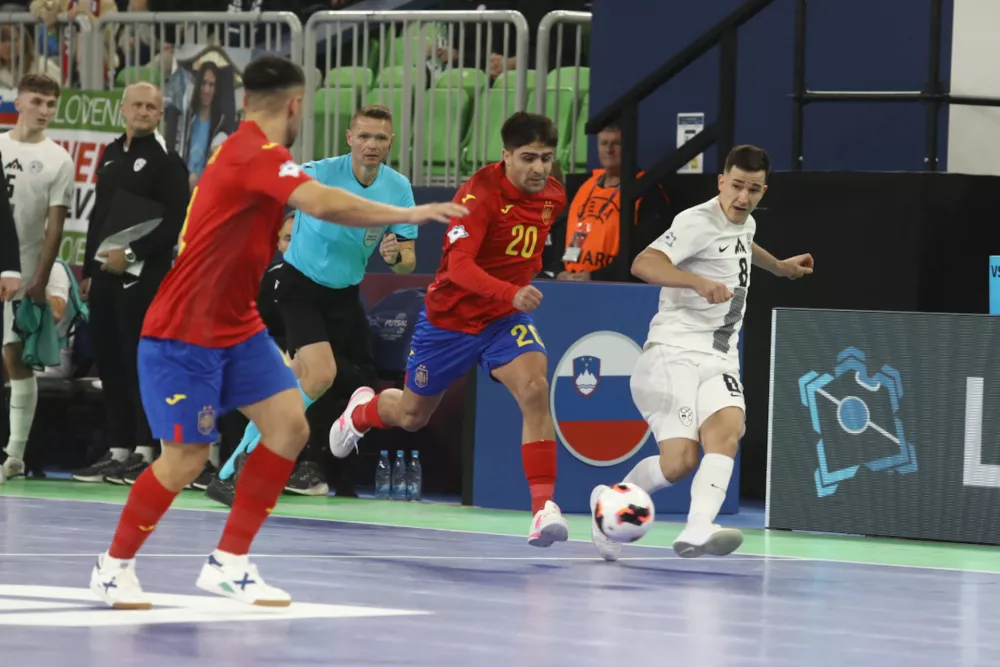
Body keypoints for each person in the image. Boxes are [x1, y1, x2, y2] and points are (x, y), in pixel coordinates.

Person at [87, 54, 468, 610]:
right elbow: (320, 202)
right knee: (186, 458)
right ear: (295, 106)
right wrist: (407, 213)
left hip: (236, 323)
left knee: (288, 426)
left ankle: (229, 562)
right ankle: (113, 566)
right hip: (184, 328)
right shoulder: (251, 154)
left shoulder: (266, 156)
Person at [329, 111, 571, 547]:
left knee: (535, 388)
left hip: (502, 320)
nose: (539, 168)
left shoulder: (554, 194)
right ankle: (362, 410)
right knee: (411, 416)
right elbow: (458, 268)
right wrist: (510, 291)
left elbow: (529, 249)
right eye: (529, 157)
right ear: (506, 156)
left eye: (547, 158)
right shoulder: (477, 195)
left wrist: (515, 291)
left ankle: (543, 508)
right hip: (449, 320)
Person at [589, 145, 814, 562]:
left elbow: (744, 244)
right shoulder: (695, 221)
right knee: (679, 463)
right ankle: (609, 502)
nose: (743, 198)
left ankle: (697, 529)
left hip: (720, 357)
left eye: (754, 189)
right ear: (720, 182)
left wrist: (780, 267)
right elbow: (644, 263)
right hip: (674, 354)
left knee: (728, 431)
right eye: (736, 186)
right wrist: (695, 282)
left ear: (764, 190)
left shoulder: (743, 222)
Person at [213, 103, 418, 500]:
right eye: (363, 136)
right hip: (299, 285)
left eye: (379, 138)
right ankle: (252, 460)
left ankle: (232, 467)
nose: (370, 145)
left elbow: (405, 263)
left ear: (390, 142)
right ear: (350, 138)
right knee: (321, 374)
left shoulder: (398, 189)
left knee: (337, 379)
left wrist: (395, 254)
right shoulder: (320, 172)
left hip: (344, 295)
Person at [73, 81, 190, 486]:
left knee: (139, 362)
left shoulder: (166, 160)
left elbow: (172, 225)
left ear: (160, 115)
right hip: (104, 279)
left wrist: (134, 253)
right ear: (123, 109)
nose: (143, 112)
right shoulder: (109, 154)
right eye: (137, 105)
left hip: (143, 280)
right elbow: (97, 218)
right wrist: (89, 269)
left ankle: (145, 449)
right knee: (109, 361)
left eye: (151, 107)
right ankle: (118, 449)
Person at [0, 73, 74, 481]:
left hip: (23, 273)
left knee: (14, 358)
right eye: (37, 102)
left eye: (51, 104)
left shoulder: (58, 159)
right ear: (18, 102)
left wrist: (41, 278)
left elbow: (55, 227)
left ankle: (15, 455)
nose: (44, 111)